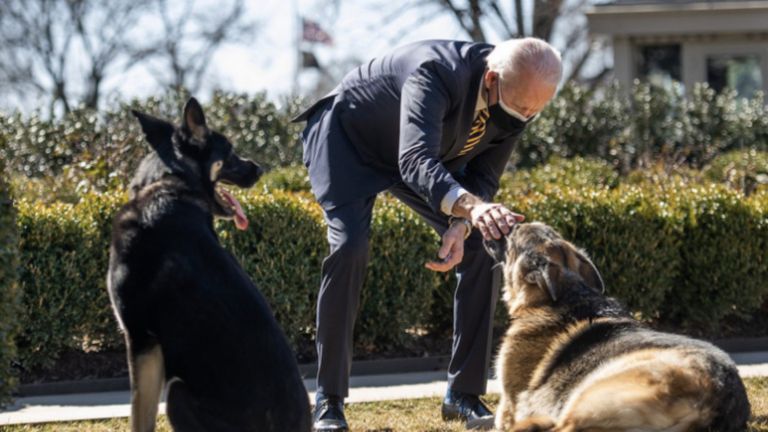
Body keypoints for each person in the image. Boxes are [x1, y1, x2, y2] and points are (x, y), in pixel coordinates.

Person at [293, 37, 562, 431]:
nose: (526, 116)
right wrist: (471, 206)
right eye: (521, 107)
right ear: (490, 79)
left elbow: (484, 175)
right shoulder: (434, 73)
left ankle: (462, 396)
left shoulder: (520, 93)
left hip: (415, 158)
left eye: (535, 110)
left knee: (482, 246)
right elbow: (415, 159)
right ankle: (328, 402)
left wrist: (461, 223)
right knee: (350, 246)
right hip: (346, 141)